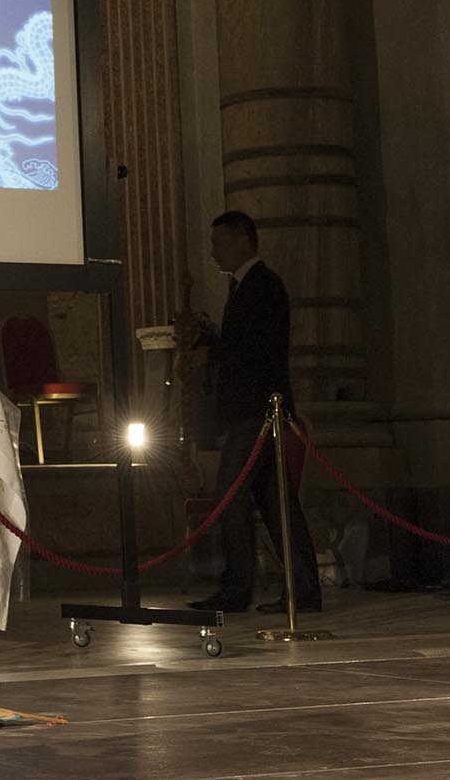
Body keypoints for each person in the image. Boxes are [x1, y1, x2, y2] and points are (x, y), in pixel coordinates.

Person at [187, 210, 321, 615]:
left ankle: (238, 587)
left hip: (258, 414)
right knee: (277, 504)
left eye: (220, 242)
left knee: (230, 496)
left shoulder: (264, 285)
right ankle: (304, 589)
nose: (214, 252)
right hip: (252, 413)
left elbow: (258, 349)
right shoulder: (243, 287)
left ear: (244, 240)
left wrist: (213, 351)